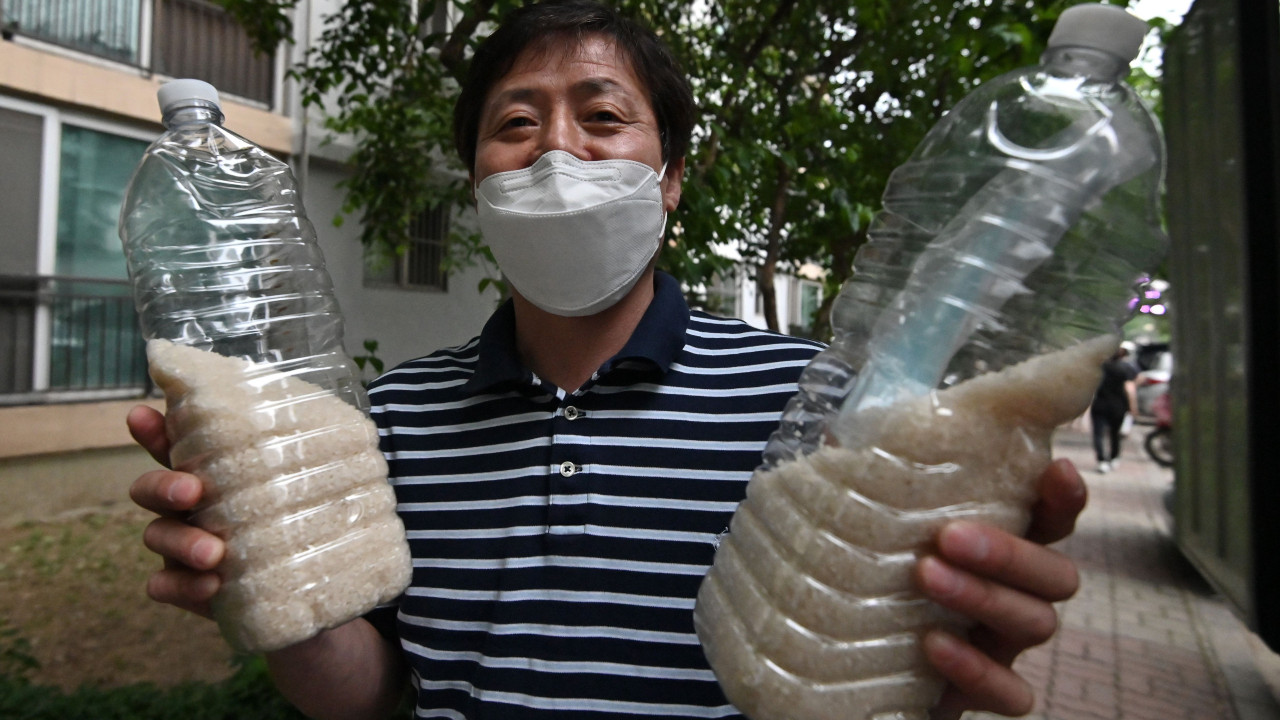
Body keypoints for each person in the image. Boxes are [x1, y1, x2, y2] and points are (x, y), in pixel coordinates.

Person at [126, 2, 1088, 718]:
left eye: (601, 117)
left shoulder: (812, 407)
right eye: (515, 124)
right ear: (476, 185)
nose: (556, 153)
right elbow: (379, 697)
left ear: (669, 179)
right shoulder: (393, 421)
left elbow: (846, 670)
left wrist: (925, 658)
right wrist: (274, 595)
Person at [1090, 345, 1138, 473]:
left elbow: (1091, 388)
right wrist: (1133, 407)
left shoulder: (1100, 368)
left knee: (1098, 434)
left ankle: (1102, 461)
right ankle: (1114, 457)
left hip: (1100, 405)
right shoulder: (1126, 368)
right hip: (1118, 406)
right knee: (1115, 434)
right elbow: (1130, 389)